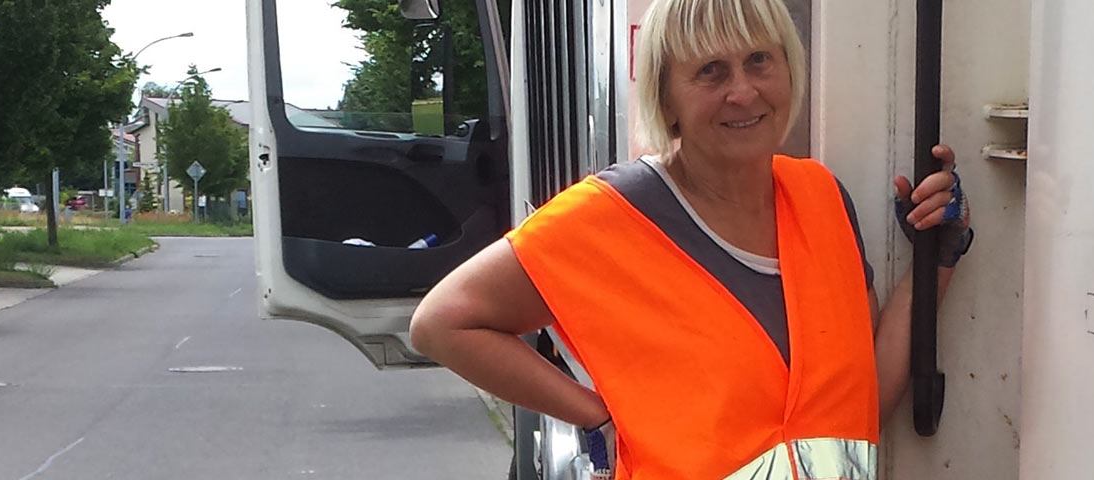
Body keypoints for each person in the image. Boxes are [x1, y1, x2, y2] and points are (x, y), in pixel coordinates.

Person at [409, 0, 973, 477]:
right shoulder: (615, 215)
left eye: (759, 60)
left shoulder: (820, 196)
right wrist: (597, 416)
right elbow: (442, 323)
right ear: (666, 98)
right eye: (711, 71)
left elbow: (863, 402)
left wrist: (938, 254)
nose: (743, 91)